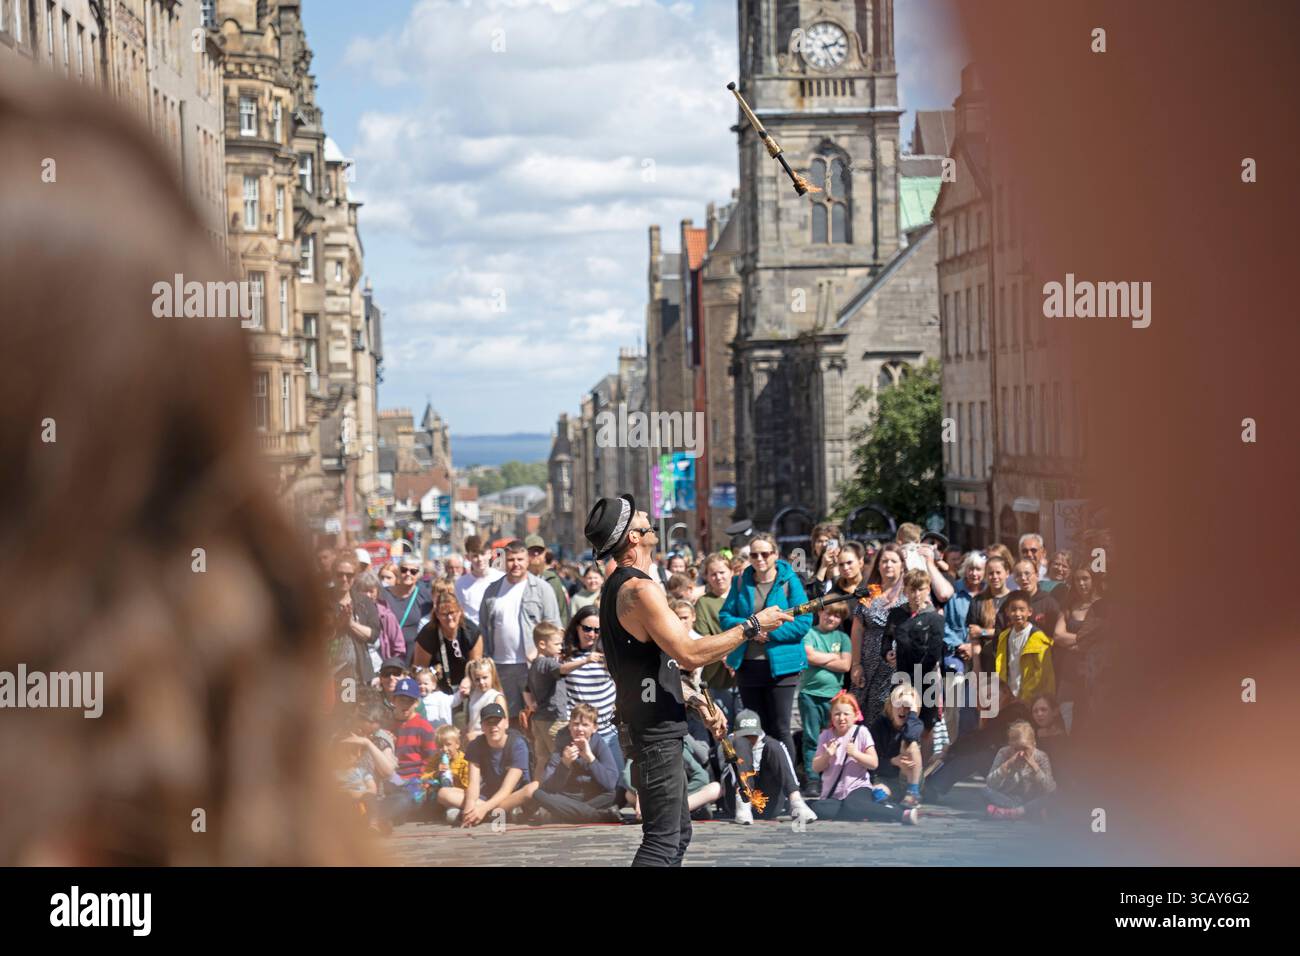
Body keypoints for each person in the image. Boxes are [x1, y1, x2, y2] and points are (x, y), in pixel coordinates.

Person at [583, 494, 792, 866]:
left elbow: (647, 667)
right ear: (634, 536)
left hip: (654, 724)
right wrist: (753, 625)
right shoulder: (637, 590)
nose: (647, 514)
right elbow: (689, 653)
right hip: (654, 733)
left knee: (677, 834)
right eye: (640, 515)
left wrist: (694, 701)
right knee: (662, 842)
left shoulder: (626, 585)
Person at [720, 532, 813, 775]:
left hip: (782, 666)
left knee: (781, 727)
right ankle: (761, 782)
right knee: (754, 729)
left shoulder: (788, 580)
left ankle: (788, 784)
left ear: (775, 554)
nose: (759, 559)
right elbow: (725, 617)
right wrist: (752, 627)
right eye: (754, 554)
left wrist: (769, 633)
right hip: (748, 665)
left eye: (765, 553)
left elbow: (804, 621)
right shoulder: (741, 582)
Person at [479, 540, 561, 724]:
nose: (515, 564)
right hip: (500, 666)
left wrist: (542, 655)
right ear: (504, 561)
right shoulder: (493, 590)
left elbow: (555, 628)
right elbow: (483, 628)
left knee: (536, 718)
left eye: (520, 559)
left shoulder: (542, 589)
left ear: (528, 560)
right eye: (510, 559)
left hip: (532, 667)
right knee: (507, 719)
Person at [808, 692, 919, 824]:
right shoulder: (825, 736)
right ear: (831, 717)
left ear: (855, 715)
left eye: (846, 714)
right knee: (820, 809)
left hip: (858, 788)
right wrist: (826, 755)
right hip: (832, 793)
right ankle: (869, 810)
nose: (841, 718)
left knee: (852, 805)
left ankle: (899, 813)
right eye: (837, 714)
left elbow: (873, 763)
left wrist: (855, 753)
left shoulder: (861, 732)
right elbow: (816, 767)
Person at [440, 702, 540, 827]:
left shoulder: (518, 745)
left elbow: (506, 790)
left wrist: (482, 809)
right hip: (487, 795)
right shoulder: (476, 745)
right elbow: (473, 784)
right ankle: (497, 815)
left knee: (533, 788)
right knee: (443, 793)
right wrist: (469, 807)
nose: (493, 727)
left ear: (506, 723)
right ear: (482, 727)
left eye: (497, 722)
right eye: (488, 722)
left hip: (512, 796)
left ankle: (484, 814)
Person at [724, 710, 817, 825]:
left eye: (752, 735)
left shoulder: (769, 743)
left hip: (768, 802)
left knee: (773, 746)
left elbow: (789, 771)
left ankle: (796, 802)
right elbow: (727, 775)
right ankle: (743, 804)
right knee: (738, 746)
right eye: (745, 736)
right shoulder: (730, 743)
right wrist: (738, 745)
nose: (750, 739)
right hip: (737, 799)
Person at [533, 703, 622, 824]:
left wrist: (591, 759)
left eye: (585, 725)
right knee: (538, 793)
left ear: (594, 728)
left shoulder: (599, 744)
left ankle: (568, 814)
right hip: (567, 797)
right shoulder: (562, 744)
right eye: (575, 724)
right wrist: (565, 763)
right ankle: (597, 816)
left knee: (616, 793)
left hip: (591, 796)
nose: (579, 729)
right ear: (569, 725)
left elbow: (610, 783)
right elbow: (548, 786)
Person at [798, 604, 852, 795]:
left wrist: (823, 658)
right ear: (820, 612)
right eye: (828, 613)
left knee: (833, 738)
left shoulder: (843, 638)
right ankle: (812, 778)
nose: (831, 618)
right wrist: (832, 657)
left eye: (837, 616)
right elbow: (809, 656)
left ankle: (831, 776)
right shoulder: (809, 633)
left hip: (834, 697)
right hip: (809, 694)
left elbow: (846, 665)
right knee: (811, 737)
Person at [851, 542, 907, 722]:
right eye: (884, 561)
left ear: (902, 565)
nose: (888, 565)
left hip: (897, 665)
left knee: (893, 715)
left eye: (893, 561)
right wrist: (856, 664)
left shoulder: (909, 594)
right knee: (867, 717)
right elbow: (857, 630)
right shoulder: (869, 593)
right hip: (869, 663)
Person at [559, 605, 621, 767]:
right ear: (577, 627)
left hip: (608, 732)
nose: (592, 634)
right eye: (587, 629)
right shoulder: (564, 655)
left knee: (618, 782)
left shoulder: (609, 653)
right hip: (579, 734)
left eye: (597, 630)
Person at [623, 737, 722, 822]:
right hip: (651, 794)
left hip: (677, 794)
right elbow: (626, 775)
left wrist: (676, 795)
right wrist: (640, 794)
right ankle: (685, 811)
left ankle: (664, 812)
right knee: (628, 794)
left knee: (715, 788)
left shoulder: (675, 744)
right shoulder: (640, 744)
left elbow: (702, 776)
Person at [693, 553, 739, 724]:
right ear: (707, 577)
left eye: (722, 572)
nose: (718, 577)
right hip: (717, 675)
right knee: (723, 723)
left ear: (731, 571)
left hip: (744, 670)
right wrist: (728, 658)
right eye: (713, 574)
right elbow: (704, 637)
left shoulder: (741, 596)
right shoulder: (704, 603)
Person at [413, 585, 483, 695]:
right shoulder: (427, 634)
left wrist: (469, 680)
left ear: (460, 611)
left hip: (467, 687)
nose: (450, 618)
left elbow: (476, 666)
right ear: (436, 615)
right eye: (444, 614)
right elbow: (419, 670)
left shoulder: (472, 632)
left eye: (452, 612)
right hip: (435, 690)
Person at [867, 683, 925, 807]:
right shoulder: (880, 725)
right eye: (898, 704)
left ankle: (913, 793)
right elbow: (873, 763)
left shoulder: (915, 724)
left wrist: (913, 713)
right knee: (878, 792)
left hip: (909, 778)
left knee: (911, 744)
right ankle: (887, 804)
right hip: (886, 777)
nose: (902, 710)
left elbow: (910, 736)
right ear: (890, 706)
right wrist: (894, 761)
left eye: (907, 706)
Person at [984, 720, 1057, 820]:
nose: (1021, 753)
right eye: (1016, 749)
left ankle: (1013, 812)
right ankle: (1022, 812)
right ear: (1010, 745)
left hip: (1031, 800)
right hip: (1009, 798)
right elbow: (991, 784)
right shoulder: (1004, 753)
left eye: (1025, 748)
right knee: (985, 791)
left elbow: (1049, 788)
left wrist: (1035, 767)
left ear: (1034, 744)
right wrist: (1006, 765)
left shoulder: (1041, 756)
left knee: (1054, 793)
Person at [525, 622, 569, 779]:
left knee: (542, 760)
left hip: (539, 719)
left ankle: (537, 794)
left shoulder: (534, 665)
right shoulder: (548, 663)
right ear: (542, 644)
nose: (560, 647)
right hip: (555, 719)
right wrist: (586, 661)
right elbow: (563, 669)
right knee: (560, 759)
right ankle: (557, 794)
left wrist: (531, 705)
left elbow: (526, 690)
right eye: (557, 644)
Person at [995, 593, 1056, 703]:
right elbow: (1001, 665)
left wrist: (1026, 696)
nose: (1017, 614)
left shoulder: (1038, 638)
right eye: (1013, 610)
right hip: (1008, 696)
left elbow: (1042, 674)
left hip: (1031, 698)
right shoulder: (1004, 636)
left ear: (1029, 612)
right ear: (1007, 612)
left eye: (1022, 610)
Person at [381, 555, 434, 667]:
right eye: (404, 570)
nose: (408, 574)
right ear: (398, 572)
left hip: (411, 657)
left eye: (413, 571)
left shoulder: (425, 597)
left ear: (419, 574)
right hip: (385, 653)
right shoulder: (383, 594)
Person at [965, 554, 1015, 673]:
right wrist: (977, 667)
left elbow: (1013, 631)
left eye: (998, 572)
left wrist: (983, 631)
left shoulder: (1015, 599)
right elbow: (974, 637)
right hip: (986, 661)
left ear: (1007, 573)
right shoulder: (978, 601)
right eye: (990, 573)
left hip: (1011, 660)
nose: (994, 577)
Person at [454, 535, 504, 628]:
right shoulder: (460, 584)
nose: (480, 559)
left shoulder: (501, 579)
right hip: (473, 635)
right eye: (475, 556)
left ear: (490, 554)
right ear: (468, 557)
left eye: (483, 554)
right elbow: (459, 612)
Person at [359, 571, 406, 668]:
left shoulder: (386, 616)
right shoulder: (352, 614)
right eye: (364, 590)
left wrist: (391, 670)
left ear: (377, 592)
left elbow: (399, 649)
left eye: (371, 591)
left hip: (381, 672)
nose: (368, 595)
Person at [525, 534, 572, 625]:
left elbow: (563, 613)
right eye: (532, 550)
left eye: (539, 551)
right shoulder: (519, 581)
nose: (536, 554)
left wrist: (561, 634)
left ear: (545, 553)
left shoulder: (553, 579)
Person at [826, 541, 867, 636]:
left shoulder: (872, 586)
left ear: (860, 562)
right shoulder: (835, 592)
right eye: (841, 564)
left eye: (849, 563)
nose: (845, 567)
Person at [464, 658, 507, 741]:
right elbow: (471, 721)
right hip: (473, 743)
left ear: (492, 676)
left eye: (485, 677)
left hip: (489, 742)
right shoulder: (473, 695)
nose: (481, 682)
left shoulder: (496, 697)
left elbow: (504, 725)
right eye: (477, 679)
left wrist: (478, 735)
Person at [803, 522, 843, 597]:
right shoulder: (807, 570)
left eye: (828, 541)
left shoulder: (845, 566)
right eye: (820, 541)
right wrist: (823, 566)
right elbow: (813, 597)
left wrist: (835, 566)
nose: (824, 545)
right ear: (814, 546)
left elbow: (841, 595)